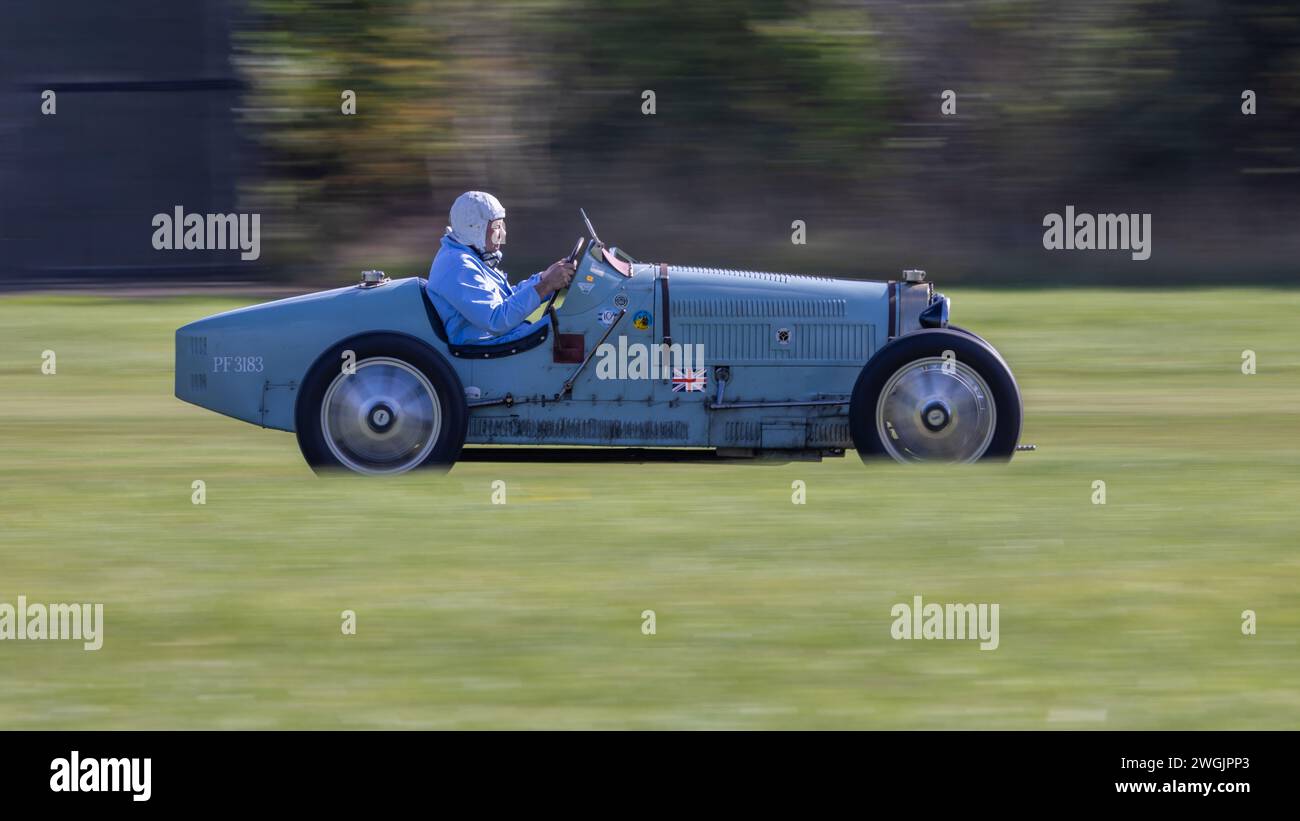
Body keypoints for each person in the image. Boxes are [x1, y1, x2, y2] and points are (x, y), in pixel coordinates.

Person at [425, 191, 575, 345]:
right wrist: (546, 285)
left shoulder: (469, 256)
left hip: (502, 339)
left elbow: (507, 299)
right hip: (488, 349)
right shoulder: (458, 265)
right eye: (497, 226)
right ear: (475, 227)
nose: (503, 234)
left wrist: (544, 279)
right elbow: (497, 321)